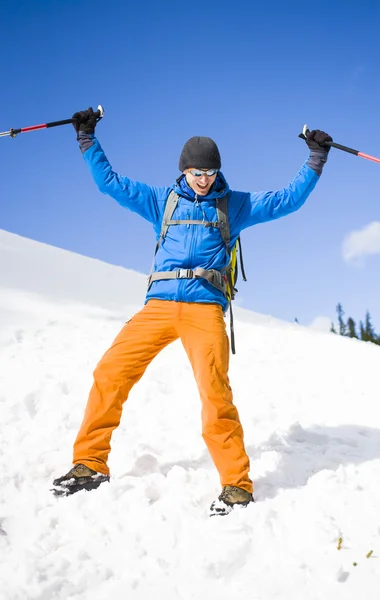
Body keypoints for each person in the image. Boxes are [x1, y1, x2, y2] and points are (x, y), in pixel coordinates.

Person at [52, 107, 332, 515]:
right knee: (109, 373)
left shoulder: (234, 206)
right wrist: (86, 139)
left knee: (215, 395)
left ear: (218, 172)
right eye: (196, 172)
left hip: (204, 311)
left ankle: (236, 485)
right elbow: (109, 183)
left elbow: (286, 201)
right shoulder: (160, 201)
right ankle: (89, 464)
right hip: (159, 307)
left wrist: (315, 159)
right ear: (184, 171)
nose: (204, 179)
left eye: (210, 172)